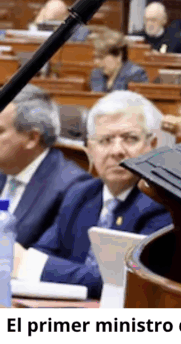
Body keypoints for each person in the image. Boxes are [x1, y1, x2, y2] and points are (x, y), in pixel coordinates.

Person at [12, 91, 172, 299]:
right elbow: (44, 252)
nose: (116, 151)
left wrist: (30, 264)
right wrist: (30, 263)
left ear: (152, 145)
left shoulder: (162, 204)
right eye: (105, 140)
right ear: (89, 148)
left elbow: (126, 280)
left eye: (130, 139)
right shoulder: (80, 194)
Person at [0, 85, 90, 248]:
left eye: (0, 131)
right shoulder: (6, 168)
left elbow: (46, 254)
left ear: (32, 138)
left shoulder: (72, 187)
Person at [89, 27, 148, 93]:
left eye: (101, 57)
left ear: (118, 56)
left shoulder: (135, 74)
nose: (96, 62)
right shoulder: (96, 74)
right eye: (96, 57)